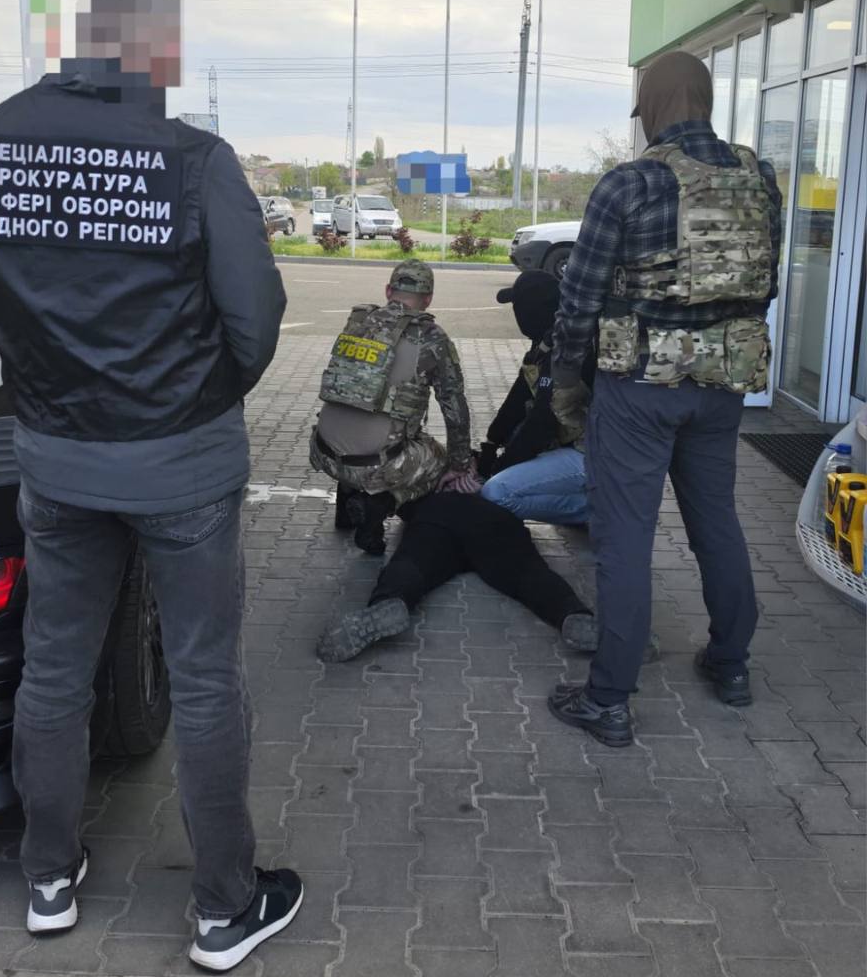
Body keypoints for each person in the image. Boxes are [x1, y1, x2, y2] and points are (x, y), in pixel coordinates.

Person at [0, 0, 302, 973]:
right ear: (154, 53)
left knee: (54, 665)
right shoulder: (192, 160)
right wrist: (200, 397)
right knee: (204, 674)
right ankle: (225, 907)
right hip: (180, 461)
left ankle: (48, 874)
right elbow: (256, 315)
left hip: (55, 455)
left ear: (80, 43)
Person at [548, 50, 782, 747]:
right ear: (704, 100)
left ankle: (609, 700)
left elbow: (580, 300)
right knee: (717, 522)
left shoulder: (630, 184)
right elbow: (764, 285)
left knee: (624, 540)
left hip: (639, 391)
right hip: (720, 389)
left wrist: (566, 381)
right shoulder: (759, 178)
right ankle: (731, 665)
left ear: (651, 105)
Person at [310, 259, 474, 554]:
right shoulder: (432, 337)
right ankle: (379, 505)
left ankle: (347, 507)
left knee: (362, 422)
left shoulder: (359, 322)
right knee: (438, 458)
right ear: (428, 299)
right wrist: (461, 464)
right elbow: (455, 410)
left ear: (388, 291)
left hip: (323, 452)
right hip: (375, 465)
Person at [316, 491, 595, 662]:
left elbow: (381, 510)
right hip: (495, 519)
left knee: (412, 564)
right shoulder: (498, 480)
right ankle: (572, 614)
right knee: (528, 573)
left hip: (436, 517)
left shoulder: (421, 480)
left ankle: (389, 601)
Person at [478, 270, 589, 527]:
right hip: (572, 446)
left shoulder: (567, 348)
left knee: (496, 492)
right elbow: (518, 398)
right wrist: (491, 445)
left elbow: (541, 422)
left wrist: (499, 467)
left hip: (591, 454)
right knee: (515, 442)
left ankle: (593, 509)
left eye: (519, 306)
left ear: (535, 309)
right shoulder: (546, 340)